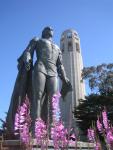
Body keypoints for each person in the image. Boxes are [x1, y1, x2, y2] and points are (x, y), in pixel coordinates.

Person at [6, 27, 72, 132]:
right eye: (47, 28)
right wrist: (27, 59)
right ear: (43, 32)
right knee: (38, 96)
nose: (50, 28)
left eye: (51, 28)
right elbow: (28, 51)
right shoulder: (37, 40)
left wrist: (64, 78)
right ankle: (35, 125)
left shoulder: (57, 47)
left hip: (53, 72)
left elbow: (60, 65)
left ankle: (52, 126)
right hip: (40, 69)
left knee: (53, 99)